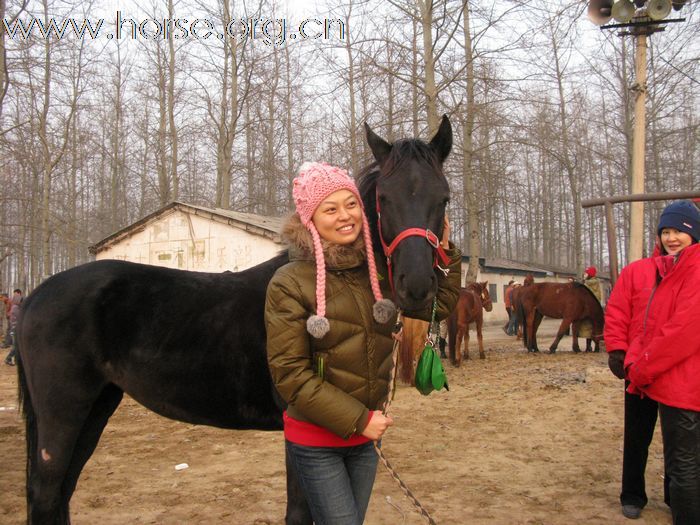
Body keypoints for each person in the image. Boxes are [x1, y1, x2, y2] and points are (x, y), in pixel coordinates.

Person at [265, 162, 461, 524]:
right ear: (310, 218)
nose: (345, 217)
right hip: (317, 441)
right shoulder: (289, 282)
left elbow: (438, 307)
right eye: (331, 208)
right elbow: (289, 374)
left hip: (366, 440)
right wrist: (360, 420)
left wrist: (447, 252)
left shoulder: (377, 277)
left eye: (351, 204)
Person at [604, 200, 700, 522]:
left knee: (678, 445)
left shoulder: (691, 272)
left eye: (679, 232)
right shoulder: (638, 271)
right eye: (666, 232)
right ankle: (632, 494)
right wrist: (618, 349)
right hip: (639, 369)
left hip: (672, 369)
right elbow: (618, 311)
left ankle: (676, 495)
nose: (671, 238)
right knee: (637, 437)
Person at [4, 289, 23, 366]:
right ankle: (8, 358)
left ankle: (15, 360)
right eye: (20, 300)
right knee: (16, 346)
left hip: (15, 328)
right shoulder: (15, 308)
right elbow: (19, 318)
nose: (21, 301)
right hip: (15, 328)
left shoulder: (16, 307)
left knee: (17, 345)